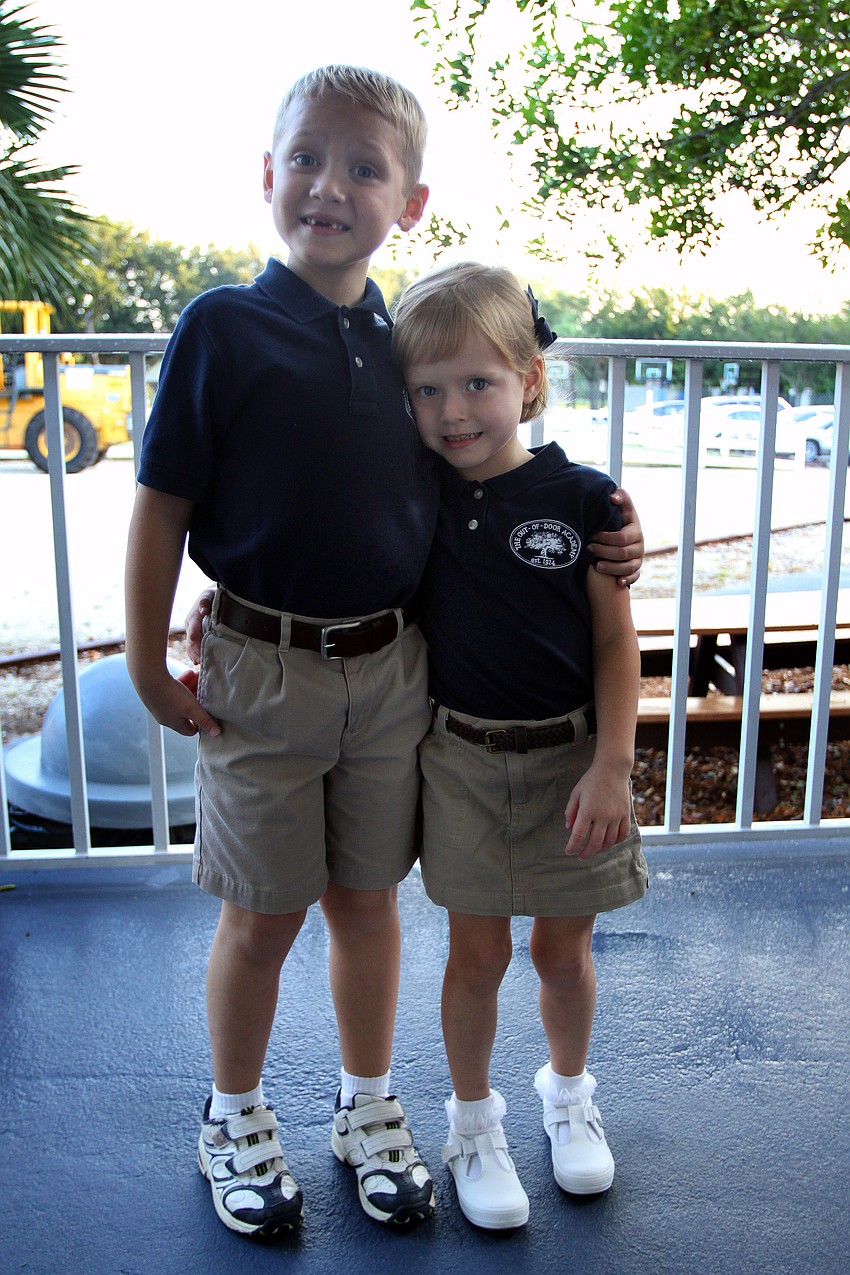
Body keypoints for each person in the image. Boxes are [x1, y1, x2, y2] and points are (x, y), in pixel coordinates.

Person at [128, 64, 645, 1242]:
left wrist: (611, 524)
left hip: (391, 675)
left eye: (366, 168)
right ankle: (236, 1113)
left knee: (369, 905)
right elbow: (161, 499)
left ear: (409, 202)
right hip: (262, 669)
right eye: (307, 159)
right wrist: (158, 661)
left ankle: (367, 1107)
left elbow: (479, 465)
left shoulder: (401, 337)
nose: (330, 186)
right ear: (269, 175)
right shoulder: (224, 325)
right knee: (262, 916)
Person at [390, 261, 649, 1231]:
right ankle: (471, 1121)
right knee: (475, 953)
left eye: (477, 383)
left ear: (527, 383)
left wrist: (613, 764)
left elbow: (617, 639)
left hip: (570, 761)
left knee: (561, 951)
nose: (453, 410)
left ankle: (568, 1096)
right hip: (458, 759)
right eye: (426, 389)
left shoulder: (584, 500)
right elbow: (334, 559)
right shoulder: (411, 498)